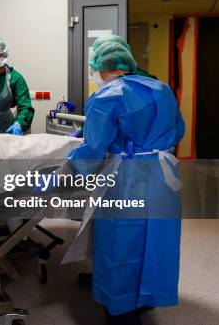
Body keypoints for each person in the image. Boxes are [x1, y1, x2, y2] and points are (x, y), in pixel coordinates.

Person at [67, 35, 185, 325]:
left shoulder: (106, 96)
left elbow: (94, 149)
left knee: (120, 240)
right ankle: (147, 297)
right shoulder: (162, 88)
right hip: (163, 175)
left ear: (98, 67)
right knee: (156, 237)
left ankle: (120, 307)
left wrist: (69, 165)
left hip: (128, 176)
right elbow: (178, 130)